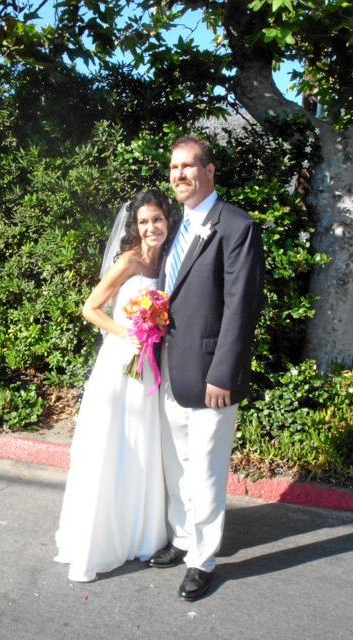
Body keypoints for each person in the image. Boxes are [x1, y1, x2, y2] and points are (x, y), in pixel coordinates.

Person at [148, 134, 265, 601]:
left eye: (188, 166)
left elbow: (241, 306)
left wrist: (224, 373)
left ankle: (202, 559)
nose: (179, 175)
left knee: (206, 472)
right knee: (177, 464)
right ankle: (182, 537)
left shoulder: (236, 225)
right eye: (173, 168)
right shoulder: (177, 227)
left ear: (209, 171)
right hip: (170, 370)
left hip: (212, 374)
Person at [54, 189, 174, 582]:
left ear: (167, 220)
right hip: (121, 363)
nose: (151, 227)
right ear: (135, 226)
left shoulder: (167, 260)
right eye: (144, 221)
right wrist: (127, 333)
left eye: (157, 219)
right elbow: (90, 308)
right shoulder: (128, 261)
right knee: (114, 446)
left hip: (149, 367)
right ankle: (100, 539)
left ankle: (138, 533)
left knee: (143, 445)